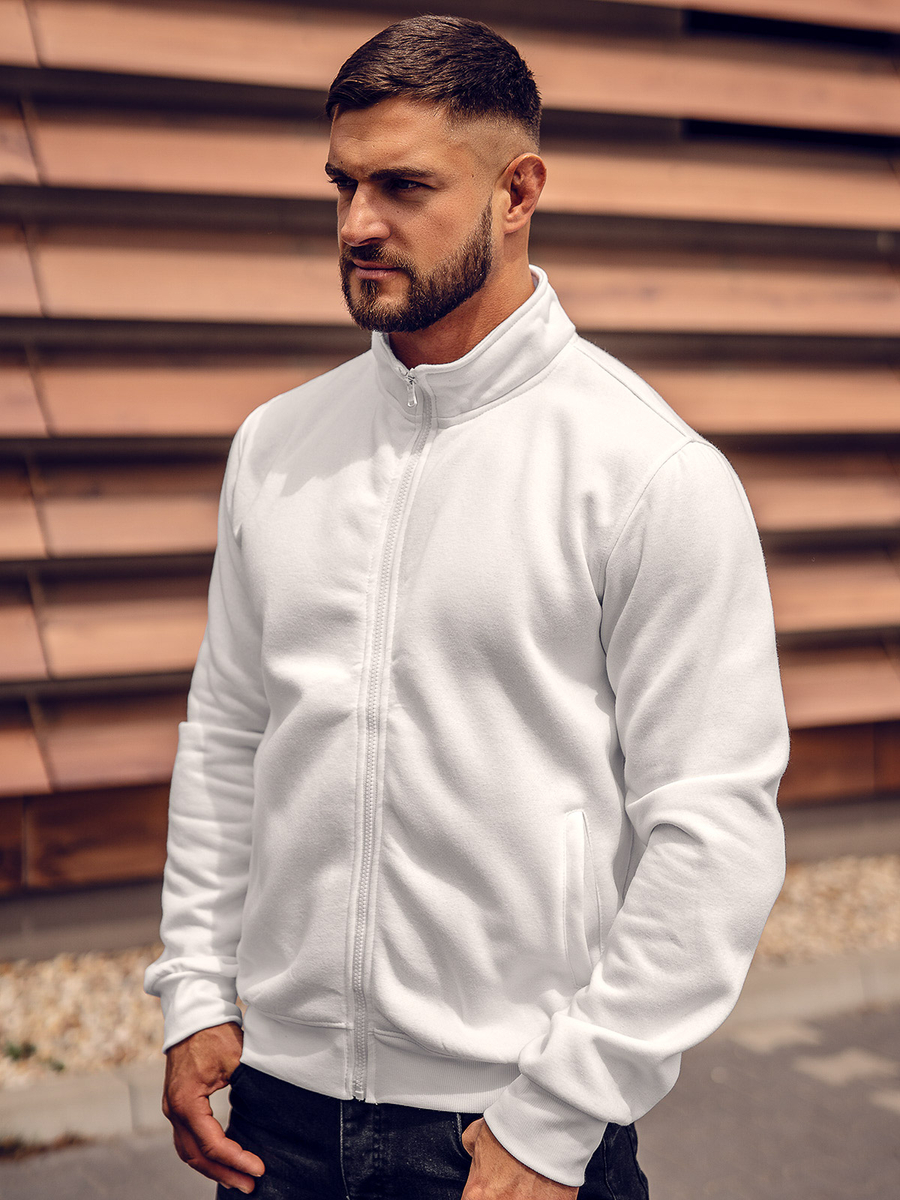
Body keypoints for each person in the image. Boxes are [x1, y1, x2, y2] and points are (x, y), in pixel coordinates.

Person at [145, 15, 789, 1199]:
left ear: (517, 192)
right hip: (275, 1114)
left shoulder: (647, 473)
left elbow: (716, 832)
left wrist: (562, 1114)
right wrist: (194, 990)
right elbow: (231, 734)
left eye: (403, 186)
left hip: (504, 1124)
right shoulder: (278, 445)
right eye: (342, 184)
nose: (357, 223)